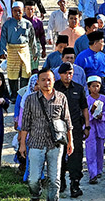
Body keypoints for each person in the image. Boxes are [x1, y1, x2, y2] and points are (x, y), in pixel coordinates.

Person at [19, 69, 74, 201]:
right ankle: (35, 196)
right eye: (43, 79)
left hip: (55, 144)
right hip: (35, 143)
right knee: (33, 180)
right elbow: (25, 124)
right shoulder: (30, 99)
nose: (46, 82)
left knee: (54, 180)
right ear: (37, 81)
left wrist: (70, 142)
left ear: (54, 80)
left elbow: (67, 121)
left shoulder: (61, 98)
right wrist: (22, 145)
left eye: (49, 79)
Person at [54, 62, 90, 198]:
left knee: (76, 156)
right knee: (59, 156)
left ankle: (75, 184)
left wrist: (87, 126)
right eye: (65, 73)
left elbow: (84, 108)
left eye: (70, 73)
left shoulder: (79, 89)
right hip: (57, 128)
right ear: (60, 74)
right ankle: (61, 181)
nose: (68, 76)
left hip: (75, 128)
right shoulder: (54, 87)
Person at [0, 1, 37, 101]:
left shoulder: (28, 24)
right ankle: (13, 95)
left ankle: (23, 93)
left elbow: (32, 39)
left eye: (19, 11)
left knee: (26, 72)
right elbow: (3, 38)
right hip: (12, 50)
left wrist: (35, 52)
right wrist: (3, 52)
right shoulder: (7, 24)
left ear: (23, 11)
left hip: (24, 49)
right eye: (15, 11)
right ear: (12, 11)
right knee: (12, 73)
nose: (17, 13)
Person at [85, 76, 105, 185]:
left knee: (100, 149)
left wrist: (102, 116)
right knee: (91, 149)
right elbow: (85, 112)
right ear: (89, 87)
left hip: (100, 126)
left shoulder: (103, 98)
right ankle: (92, 173)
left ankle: (99, 169)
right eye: (93, 86)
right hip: (90, 126)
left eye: (97, 86)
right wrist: (92, 113)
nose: (95, 88)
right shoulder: (87, 99)